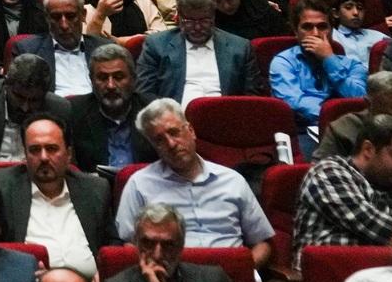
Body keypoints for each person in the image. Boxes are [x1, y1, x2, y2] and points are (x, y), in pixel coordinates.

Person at [115, 99, 275, 271]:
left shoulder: (233, 181)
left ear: (191, 131)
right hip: (172, 276)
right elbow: (129, 245)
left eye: (174, 132)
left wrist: (246, 271)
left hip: (231, 275)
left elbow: (262, 242)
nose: (171, 144)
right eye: (159, 140)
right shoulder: (139, 184)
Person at [0, 115, 111, 277]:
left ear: (68, 154)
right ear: (25, 155)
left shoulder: (95, 189)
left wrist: (104, 274)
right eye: (34, 150)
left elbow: (112, 245)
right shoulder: (3, 188)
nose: (43, 157)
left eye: (51, 149)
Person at [292, 113, 392, 247]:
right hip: (333, 260)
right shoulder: (328, 173)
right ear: (368, 149)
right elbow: (369, 223)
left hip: (388, 261)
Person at [268, 0, 367, 152]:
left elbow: (360, 99)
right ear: (295, 31)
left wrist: (329, 60)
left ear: (331, 30)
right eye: (307, 27)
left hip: (351, 129)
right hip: (303, 131)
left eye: (322, 27)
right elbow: (294, 103)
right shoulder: (283, 62)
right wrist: (336, 117)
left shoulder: (352, 65)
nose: (315, 34)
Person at [100, 203, 246, 282]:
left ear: (181, 246)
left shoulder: (214, 279)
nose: (157, 255)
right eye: (148, 243)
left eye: (168, 245)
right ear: (136, 244)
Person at [134, 0, 252, 102]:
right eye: (189, 21)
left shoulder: (240, 48)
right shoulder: (156, 46)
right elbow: (144, 92)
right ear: (178, 17)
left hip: (224, 112)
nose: (197, 27)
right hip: (173, 112)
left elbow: (252, 99)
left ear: (214, 15)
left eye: (204, 20)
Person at [0, 54, 72, 165]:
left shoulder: (59, 109)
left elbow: (67, 163)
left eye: (34, 100)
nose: (25, 108)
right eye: (19, 97)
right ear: (6, 85)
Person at [68, 43, 158, 172]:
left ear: (133, 79)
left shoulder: (153, 110)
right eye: (102, 78)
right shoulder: (74, 111)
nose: (110, 85)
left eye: (118, 77)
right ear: (91, 80)